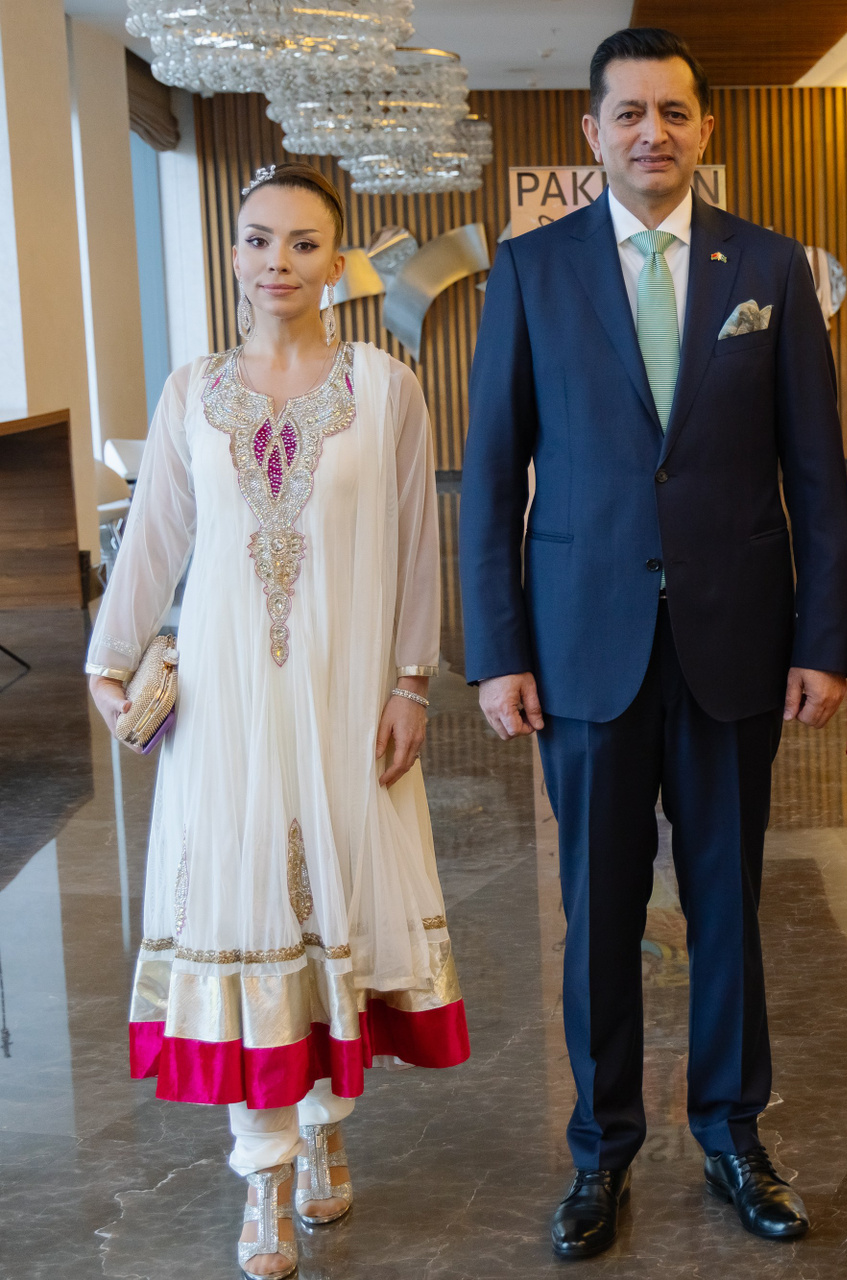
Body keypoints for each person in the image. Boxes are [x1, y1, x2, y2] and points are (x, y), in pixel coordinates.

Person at [460, 27, 847, 1258]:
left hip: (737, 637)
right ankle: (602, 1149)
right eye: (629, 113)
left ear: (706, 128)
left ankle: (734, 1133)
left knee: (728, 899)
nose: (653, 133)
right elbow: (491, 476)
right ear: (591, 131)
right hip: (584, 644)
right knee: (599, 907)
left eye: (674, 112)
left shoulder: (770, 267)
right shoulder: (531, 270)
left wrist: (825, 637)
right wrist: (497, 649)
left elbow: (815, 471)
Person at [85, 162, 470, 1279]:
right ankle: (261, 1176)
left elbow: (416, 542)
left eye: (304, 243)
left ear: (336, 262)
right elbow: (154, 536)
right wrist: (110, 659)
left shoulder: (387, 387)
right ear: (234, 254)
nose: (278, 262)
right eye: (259, 240)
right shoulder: (191, 391)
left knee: (332, 897)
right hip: (224, 707)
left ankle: (324, 1123)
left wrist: (411, 682)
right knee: (244, 902)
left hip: (346, 698)